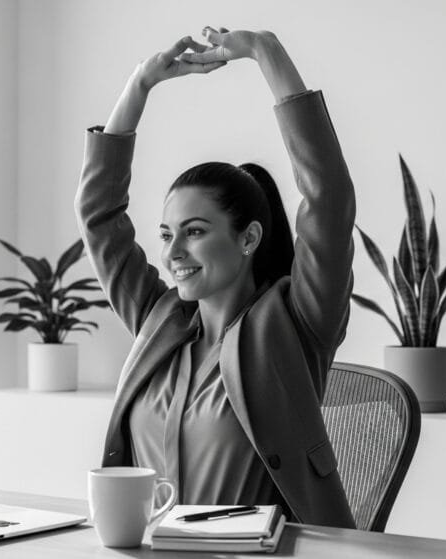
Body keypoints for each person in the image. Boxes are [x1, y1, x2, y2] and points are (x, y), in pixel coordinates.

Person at [75, 27, 357, 528]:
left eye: (195, 232)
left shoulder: (297, 325)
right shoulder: (158, 320)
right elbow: (99, 217)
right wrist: (138, 87)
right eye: (166, 235)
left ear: (248, 239)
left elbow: (328, 198)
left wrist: (265, 52)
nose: (173, 252)